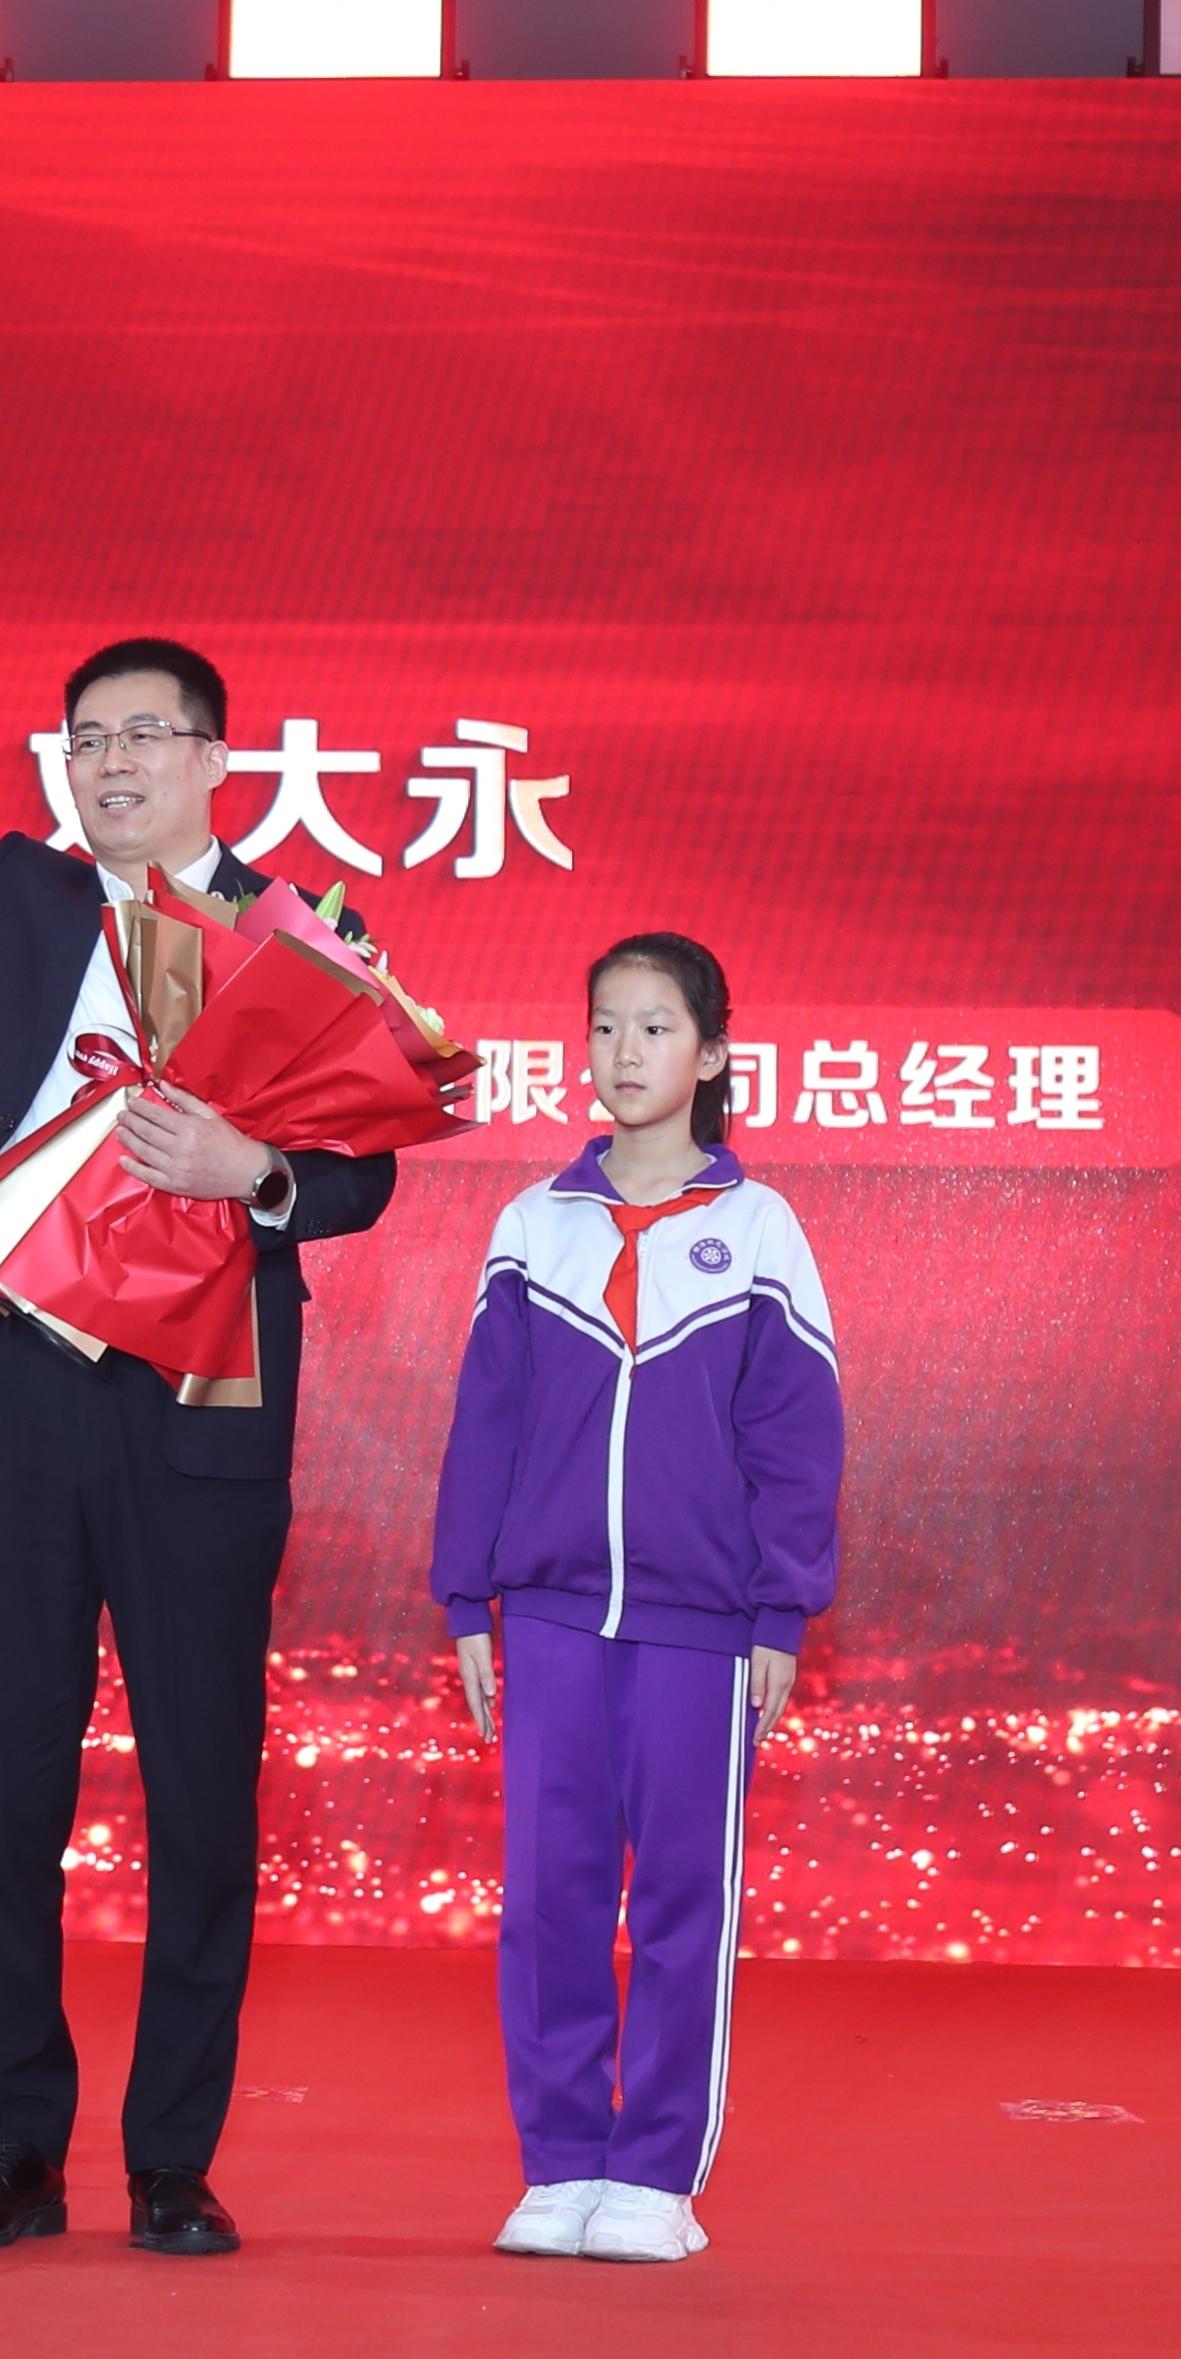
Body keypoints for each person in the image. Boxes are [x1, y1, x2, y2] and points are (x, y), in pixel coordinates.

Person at [0, 429, 402, 2261]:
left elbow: (367, 1167)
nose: (111, 763)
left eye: (144, 736)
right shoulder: (18, 902)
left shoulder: (301, 932)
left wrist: (254, 1174)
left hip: (205, 1406)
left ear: (215, 759)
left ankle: (173, 2159)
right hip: (21, 1390)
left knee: (202, 1794)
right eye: (86, 739)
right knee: (9, 1788)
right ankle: (9, 2152)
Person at [429, 932, 840, 2263]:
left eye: (656, 1027)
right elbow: (485, 1426)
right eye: (604, 1025)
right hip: (549, 1615)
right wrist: (465, 1595)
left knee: (678, 1900)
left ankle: (657, 2174)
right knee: (547, 1897)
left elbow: (795, 1437)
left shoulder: (759, 1229)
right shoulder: (531, 1225)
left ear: (710, 1053)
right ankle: (558, 2163)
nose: (623, 1051)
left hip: (699, 1627)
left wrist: (778, 1611)